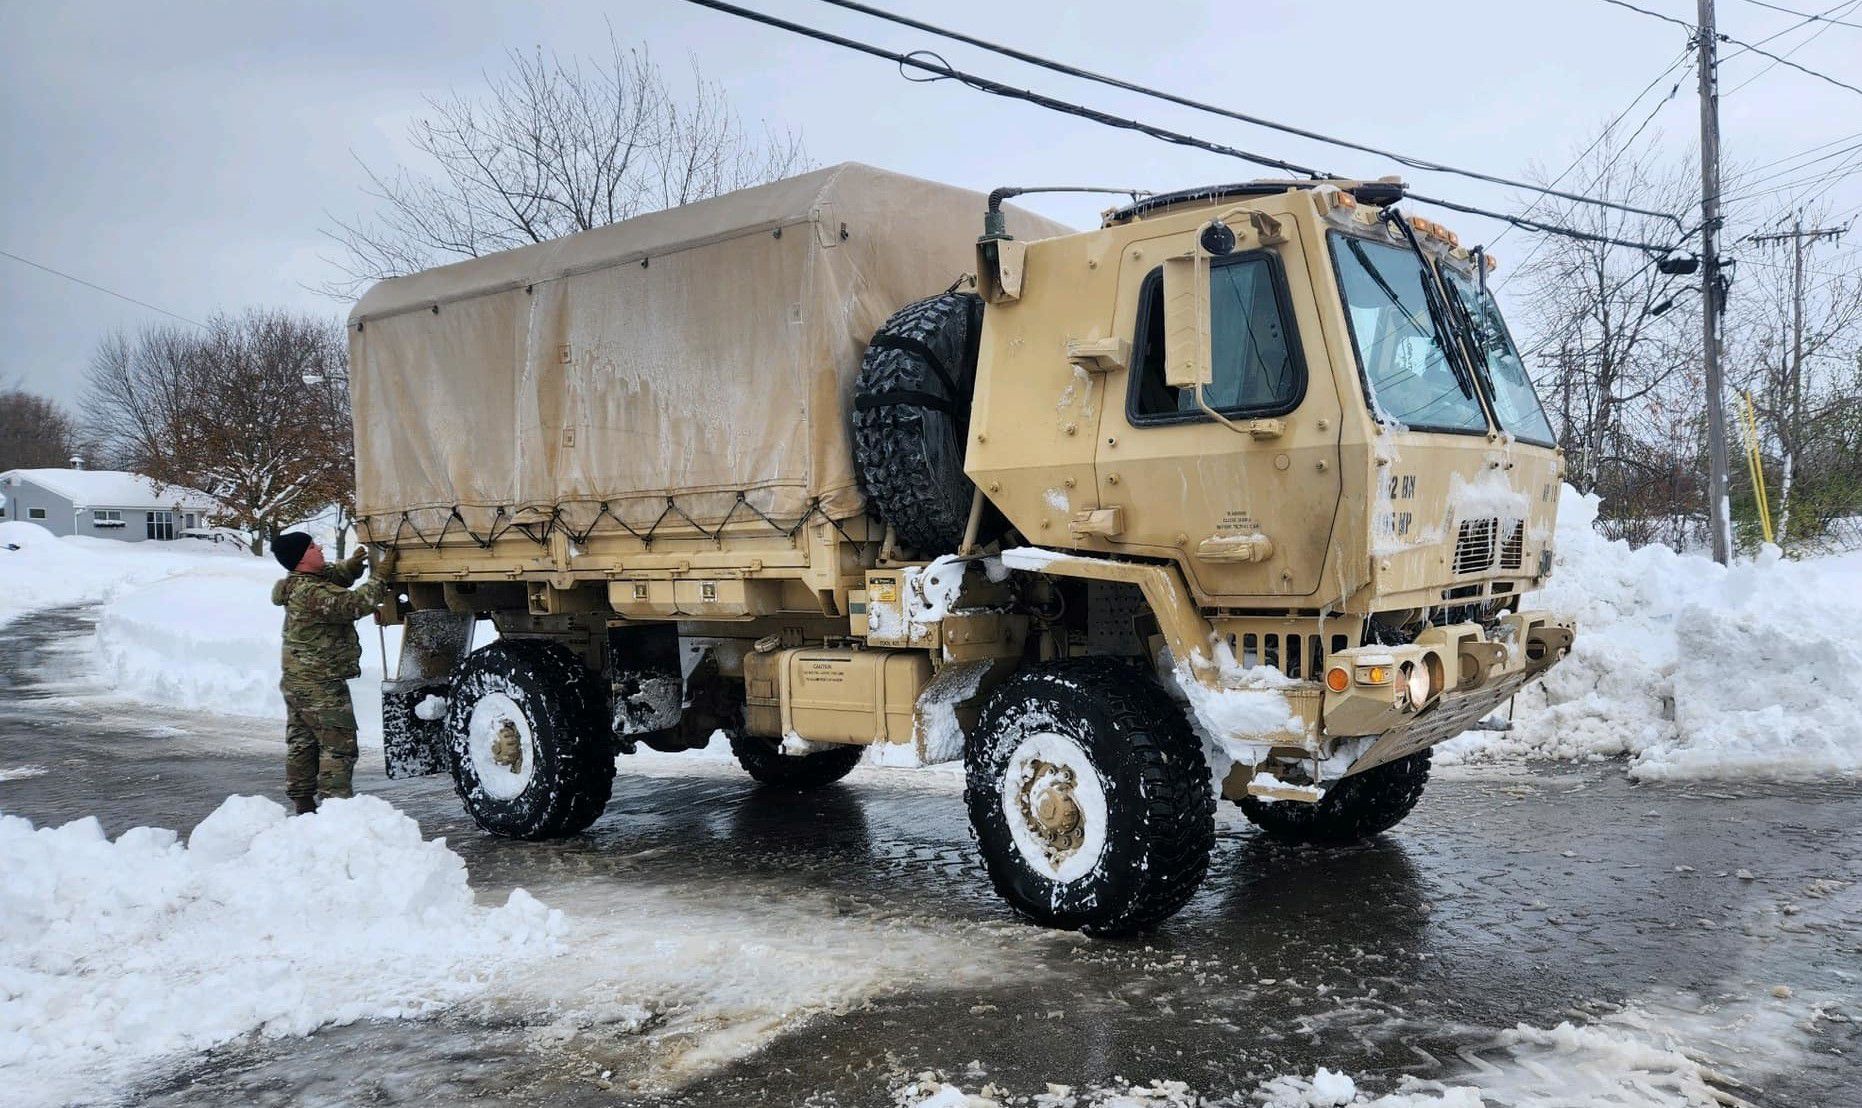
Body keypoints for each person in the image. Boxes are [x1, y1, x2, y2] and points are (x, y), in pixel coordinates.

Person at [269, 532, 397, 814]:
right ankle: (335, 808)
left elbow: (330, 576)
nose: (320, 549)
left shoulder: (298, 584)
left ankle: (303, 803)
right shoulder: (311, 593)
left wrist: (349, 568)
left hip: (298, 679)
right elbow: (353, 605)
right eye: (313, 547)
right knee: (339, 745)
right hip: (320, 683)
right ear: (302, 558)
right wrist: (381, 577)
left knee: (303, 741)